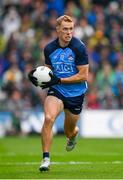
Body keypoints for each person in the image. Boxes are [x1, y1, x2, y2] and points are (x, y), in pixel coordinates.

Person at [28, 15, 89, 171]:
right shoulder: (49, 48)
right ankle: (46, 159)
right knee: (48, 118)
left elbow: (83, 75)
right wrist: (40, 77)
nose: (69, 32)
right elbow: (48, 71)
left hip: (76, 93)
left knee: (69, 131)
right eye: (65, 29)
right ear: (58, 30)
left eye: (71, 29)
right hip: (57, 90)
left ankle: (73, 135)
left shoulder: (79, 47)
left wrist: (59, 80)